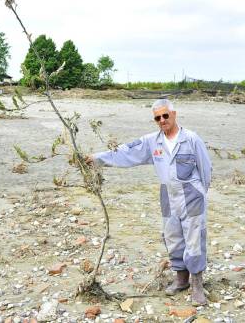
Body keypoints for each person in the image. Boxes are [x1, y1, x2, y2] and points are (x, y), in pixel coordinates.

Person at [86, 99, 212, 305]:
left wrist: (199, 193)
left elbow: (206, 169)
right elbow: (126, 152)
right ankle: (181, 280)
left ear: (174, 114)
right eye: (157, 118)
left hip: (192, 196)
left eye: (165, 115)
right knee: (172, 237)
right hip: (167, 195)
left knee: (194, 240)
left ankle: (197, 286)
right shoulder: (152, 141)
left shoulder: (191, 139)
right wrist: (97, 158)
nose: (162, 120)